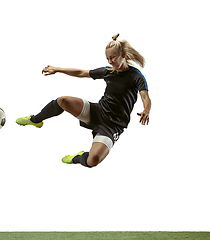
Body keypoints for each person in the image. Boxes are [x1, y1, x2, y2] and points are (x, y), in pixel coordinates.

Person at [16, 33, 151, 168]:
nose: (110, 62)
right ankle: (35, 120)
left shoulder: (136, 76)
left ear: (123, 55)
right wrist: (58, 69)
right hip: (98, 111)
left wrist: (146, 110)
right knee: (63, 100)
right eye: (108, 58)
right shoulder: (108, 71)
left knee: (93, 160)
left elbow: (145, 96)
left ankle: (77, 157)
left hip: (113, 125)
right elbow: (81, 73)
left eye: (113, 58)